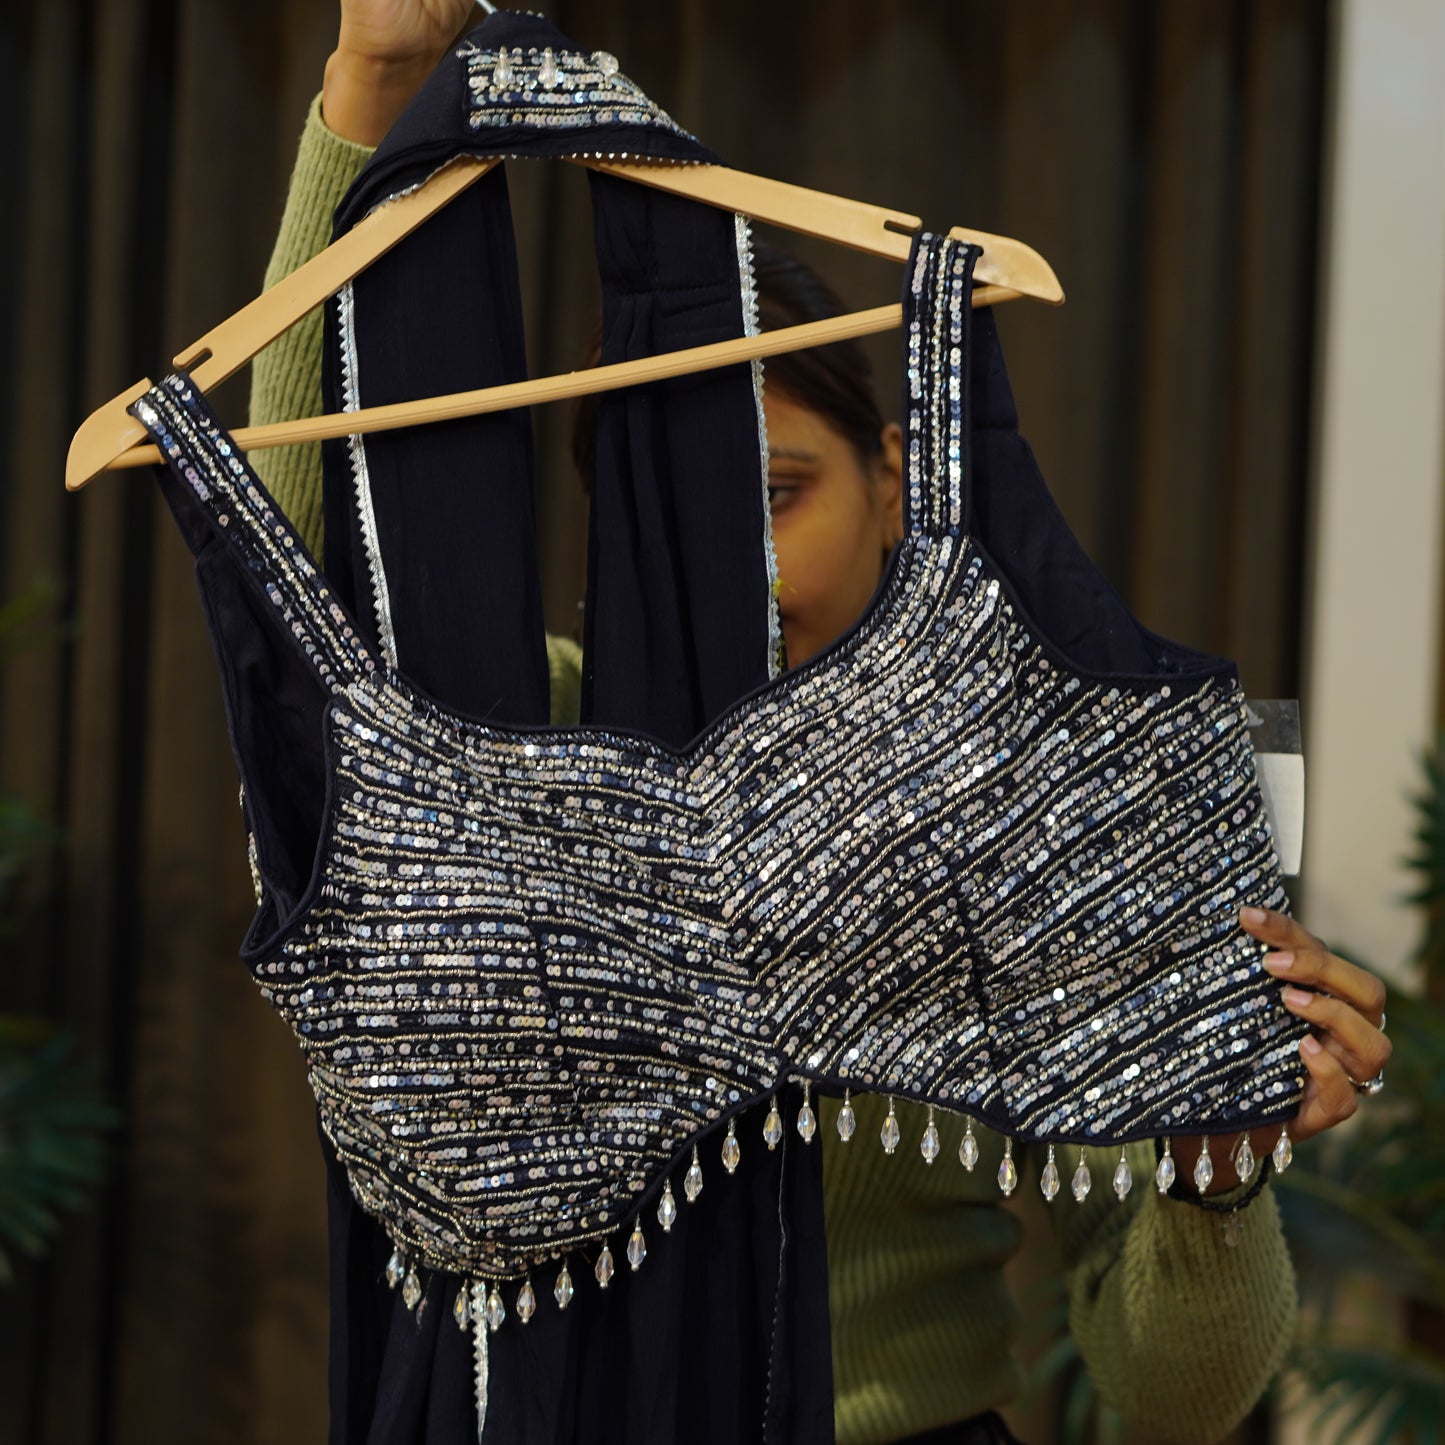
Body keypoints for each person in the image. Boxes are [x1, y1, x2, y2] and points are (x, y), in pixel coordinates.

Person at [245, 5, 1393, 1441]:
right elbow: (304, 610)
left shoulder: (1027, 804)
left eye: (778, 494)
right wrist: (375, 85)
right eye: (686, 524)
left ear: (895, 471)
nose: (750, 572)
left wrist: (1216, 1168)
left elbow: (1175, 1397)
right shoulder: (531, 758)